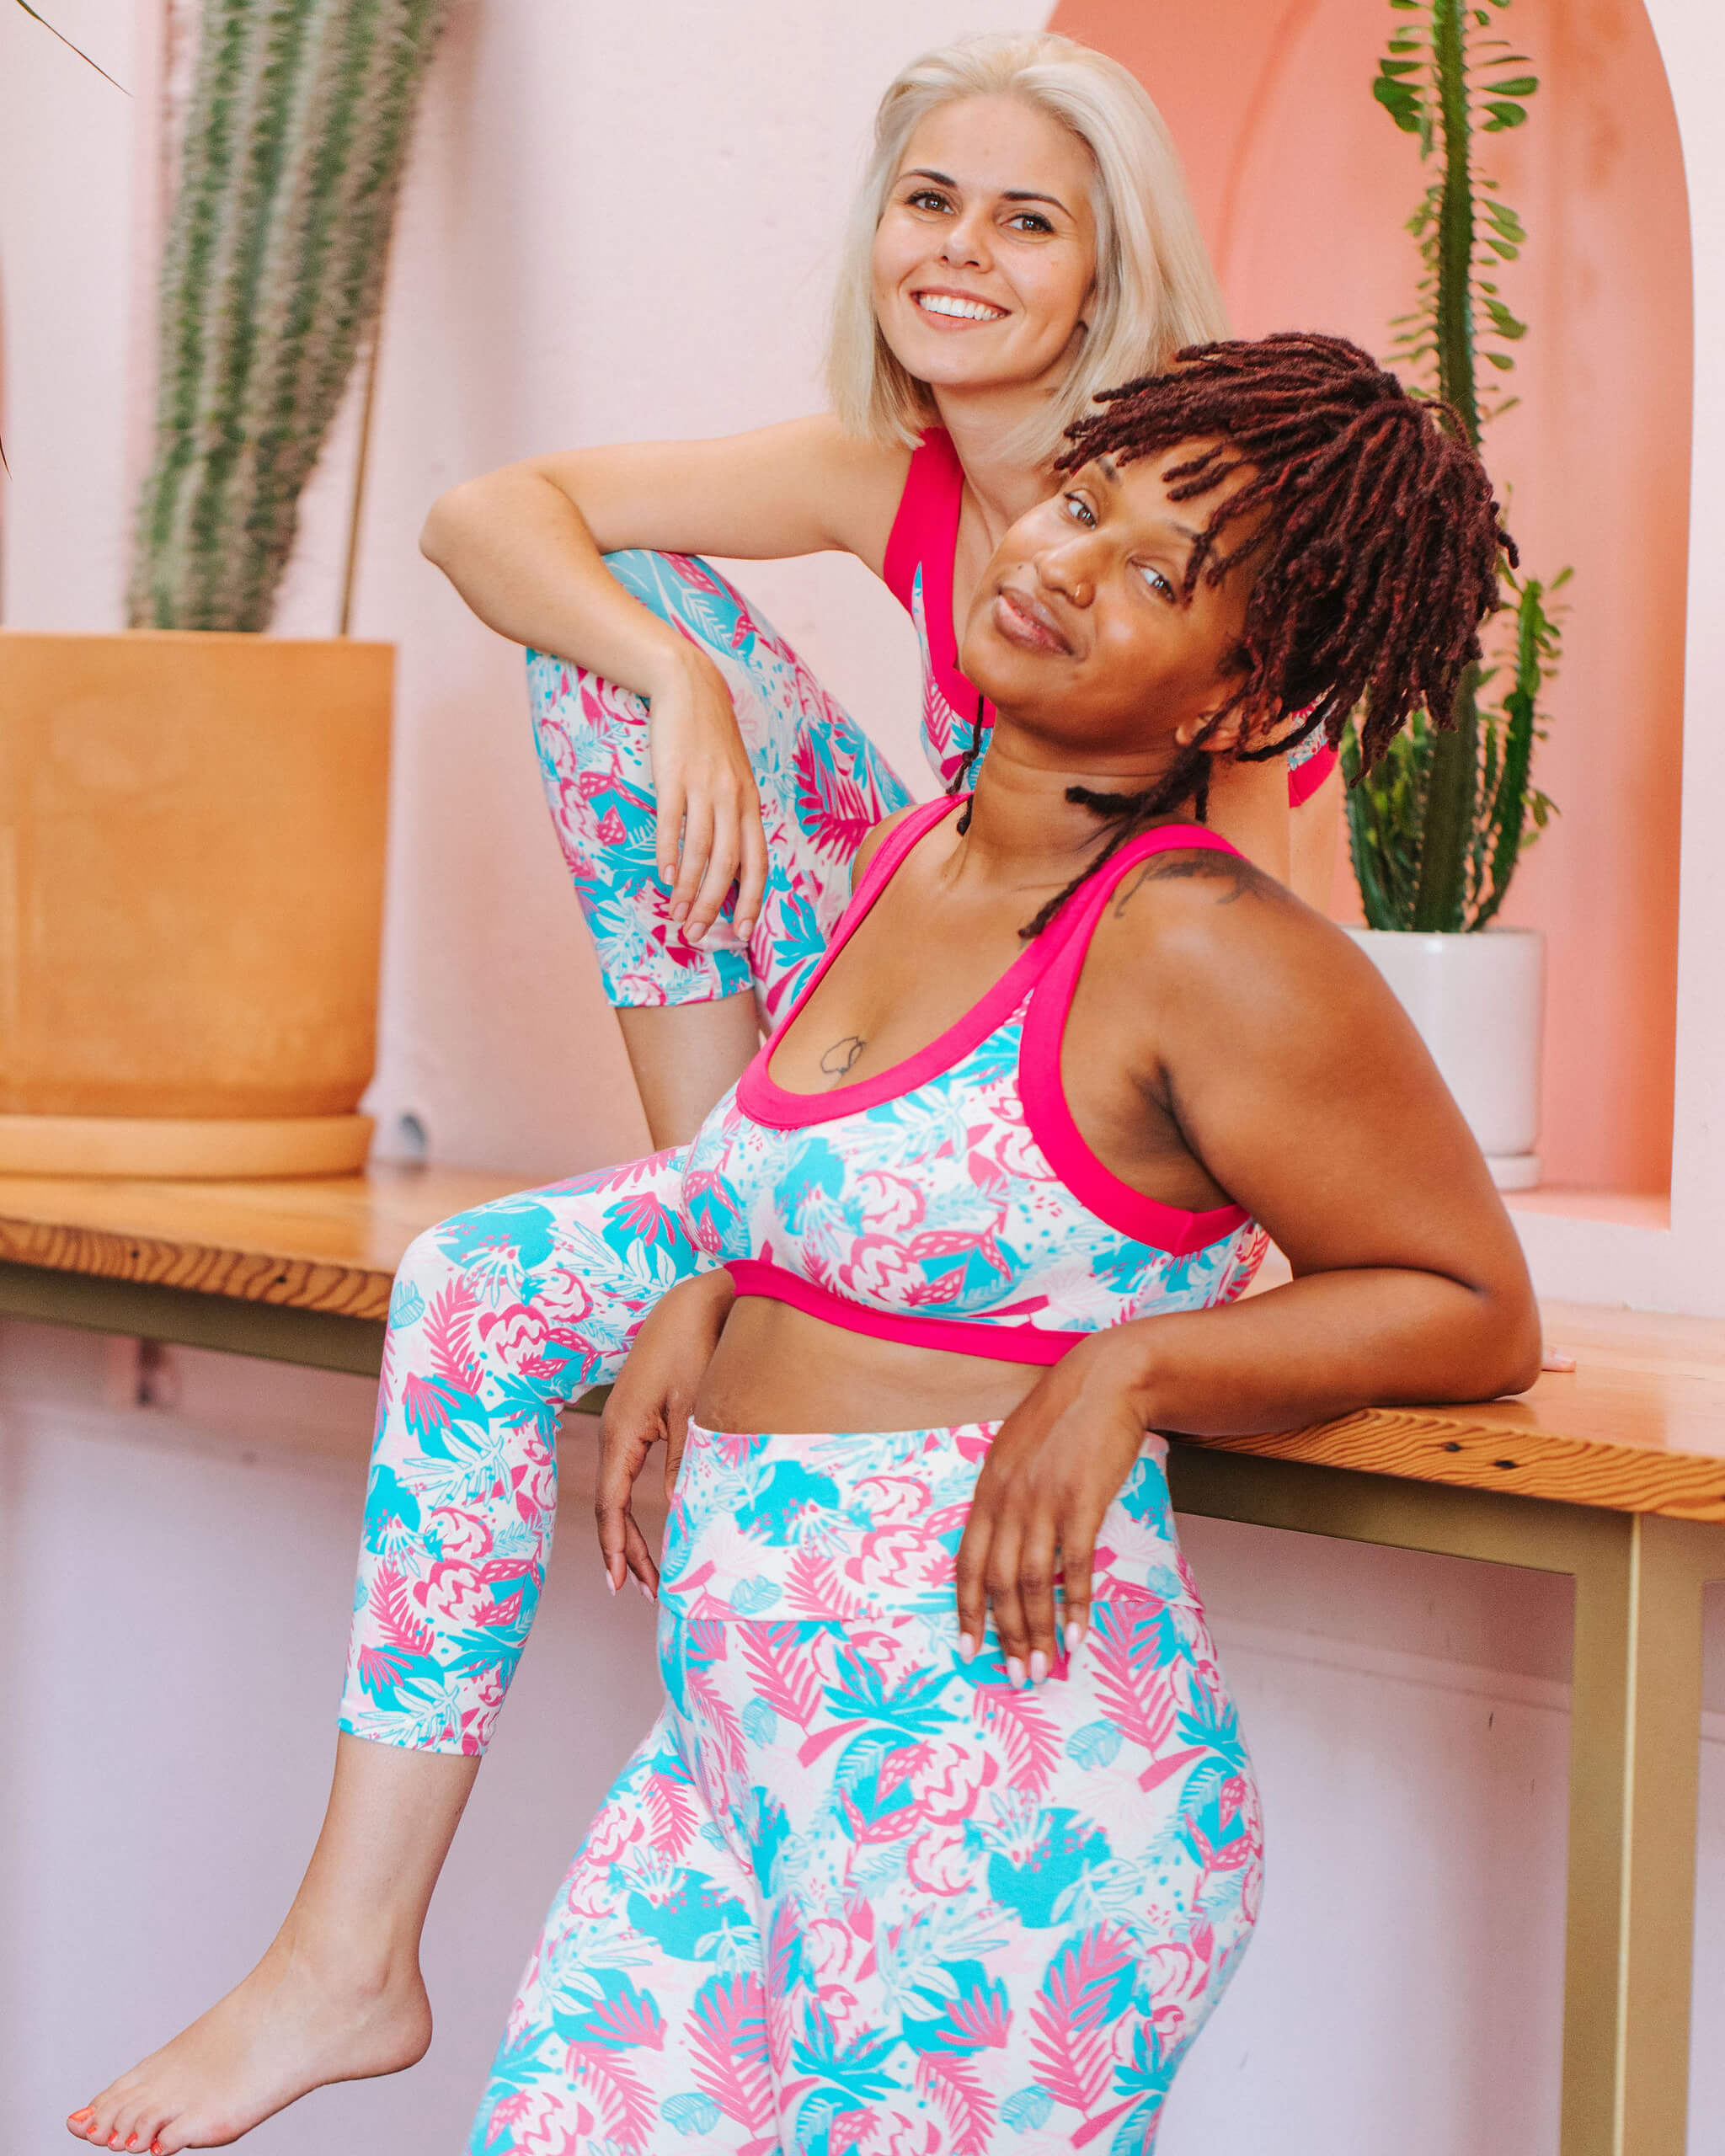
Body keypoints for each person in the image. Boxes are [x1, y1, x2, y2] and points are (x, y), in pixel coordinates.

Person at [72, 334, 1540, 2155]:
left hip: (999, 1816)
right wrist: (711, 1275)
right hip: (729, 1759)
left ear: (1238, 704)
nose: (1063, 560)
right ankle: (350, 1956)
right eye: (1077, 504)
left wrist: (1136, 1366)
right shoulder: (911, 851)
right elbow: (827, 1195)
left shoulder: (1202, 947)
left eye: (1157, 574)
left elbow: (1471, 1301)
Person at [420, 29, 1343, 1153]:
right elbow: (480, 519)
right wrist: (678, 678)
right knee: (623, 603)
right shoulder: (892, 469)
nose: (959, 250)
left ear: (1109, 280)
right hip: (944, 979)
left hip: (1110, 1079)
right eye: (928, 201)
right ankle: (708, 1190)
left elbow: (1260, 935)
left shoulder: (1198, 509)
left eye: (1027, 222)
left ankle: (747, 1215)